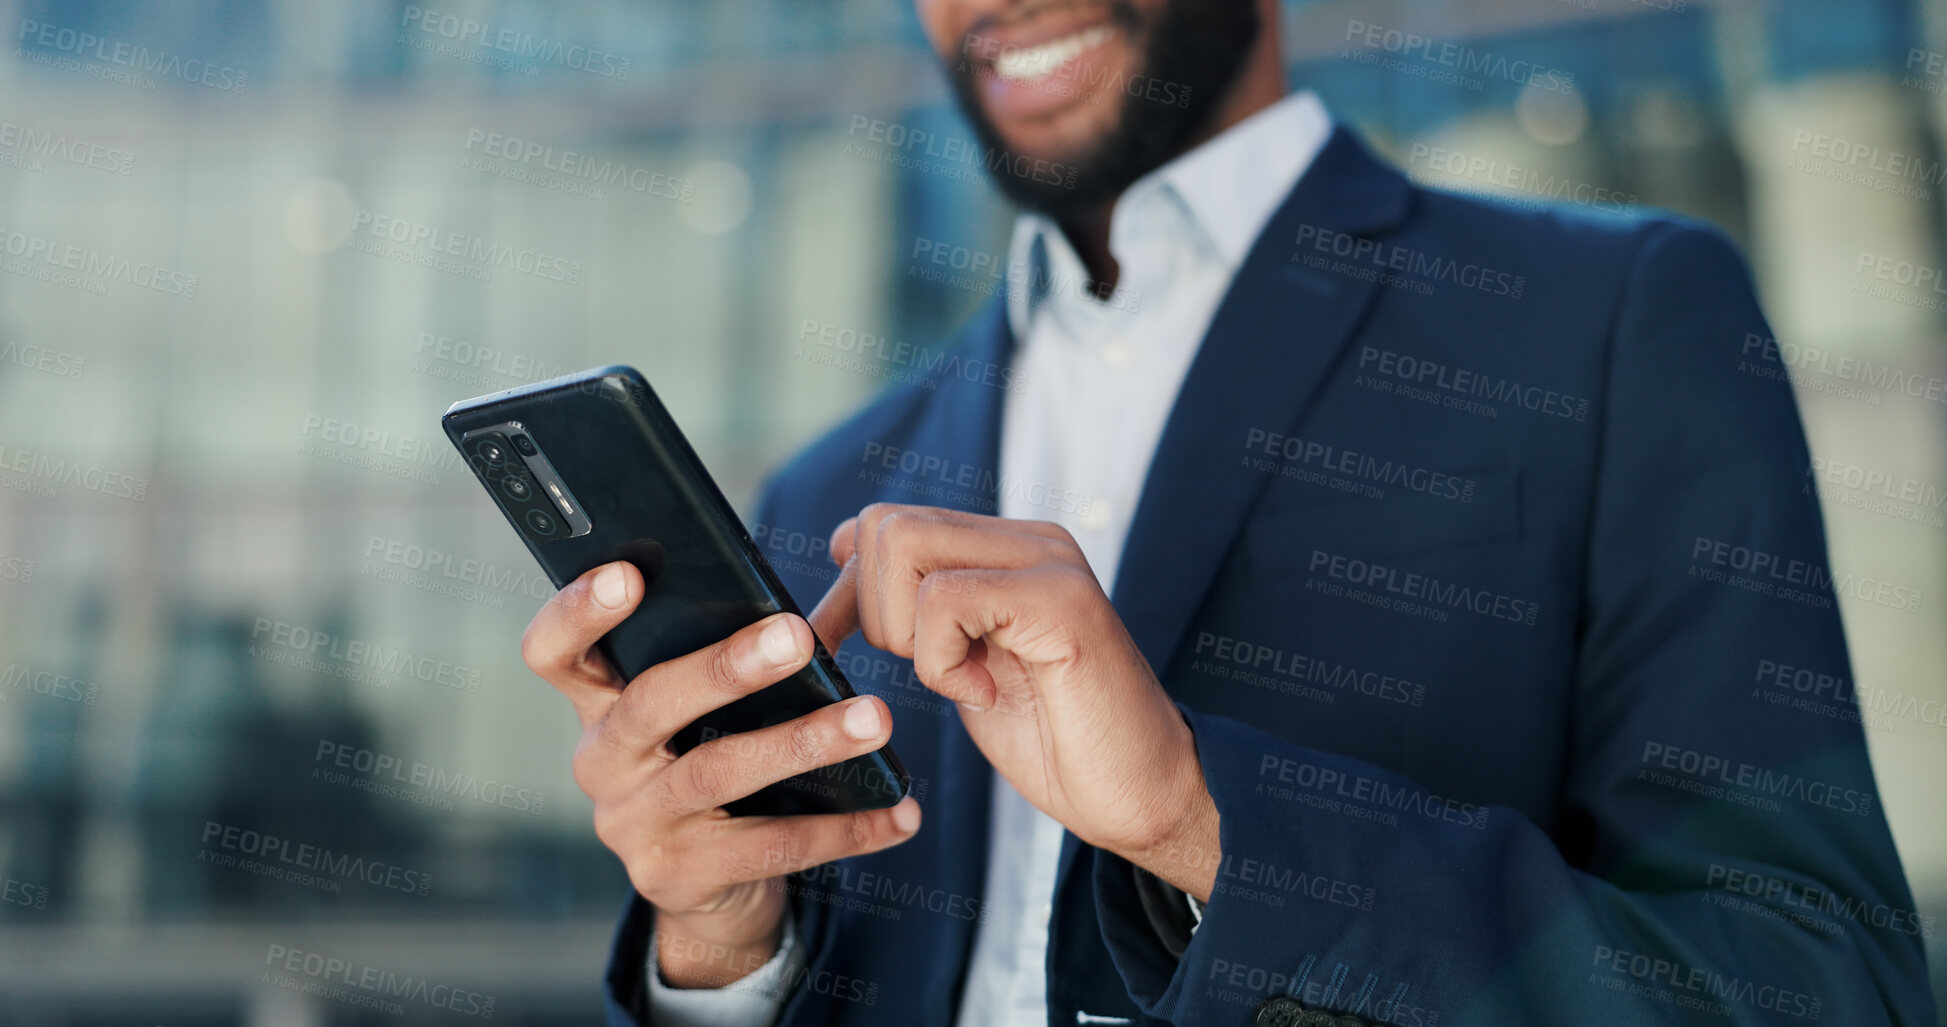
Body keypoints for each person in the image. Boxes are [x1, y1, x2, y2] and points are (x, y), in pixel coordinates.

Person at [520, 0, 1938, 1024]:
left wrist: (1207, 822)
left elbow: (1816, 986)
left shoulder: (1617, 319)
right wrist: (718, 945)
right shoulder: (829, 493)